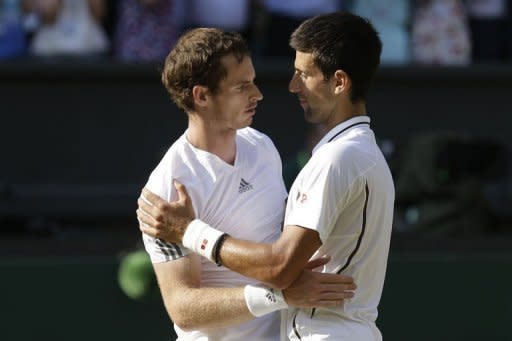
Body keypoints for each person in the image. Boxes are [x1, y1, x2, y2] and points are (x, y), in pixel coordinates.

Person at [138, 12, 395, 340]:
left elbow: (282, 262)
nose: (258, 94)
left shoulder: (263, 148)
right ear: (202, 96)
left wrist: (190, 232)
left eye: (254, 81)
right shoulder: (166, 191)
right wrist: (279, 296)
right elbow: (183, 308)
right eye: (242, 86)